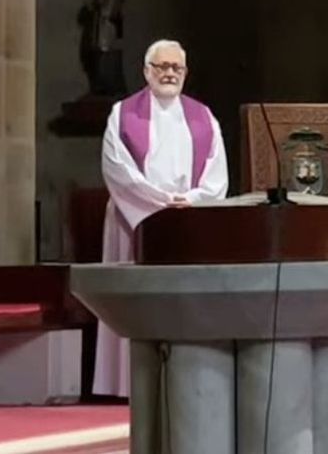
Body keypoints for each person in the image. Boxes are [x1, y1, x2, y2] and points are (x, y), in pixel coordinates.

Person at [91, 39, 228, 397]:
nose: (169, 73)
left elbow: (217, 173)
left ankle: (182, 378)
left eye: (176, 67)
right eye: (162, 66)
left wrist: (192, 200)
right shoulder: (123, 113)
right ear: (146, 71)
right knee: (132, 301)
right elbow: (117, 167)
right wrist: (159, 202)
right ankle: (127, 384)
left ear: (186, 72)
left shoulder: (203, 117)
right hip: (134, 216)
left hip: (186, 218)